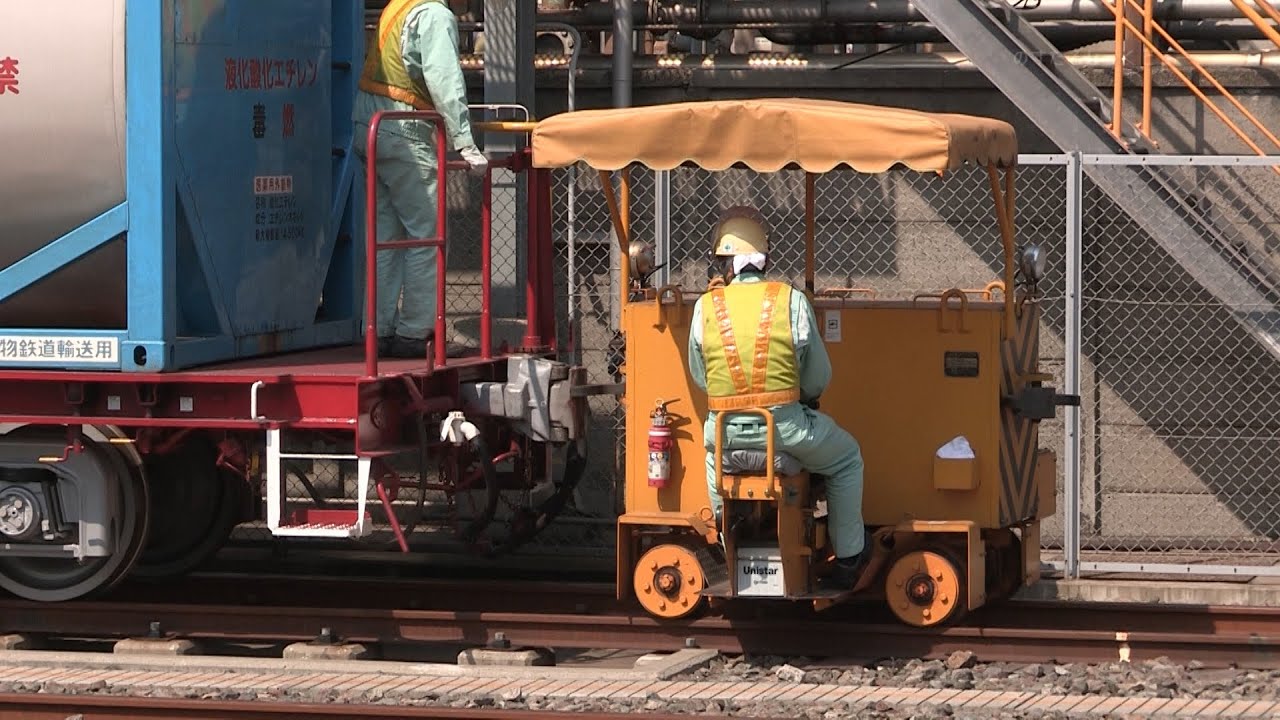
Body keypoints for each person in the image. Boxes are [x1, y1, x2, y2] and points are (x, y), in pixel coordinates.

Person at [686, 206, 870, 589]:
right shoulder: (790, 300)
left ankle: (724, 541)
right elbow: (819, 376)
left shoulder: (705, 306)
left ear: (726, 264)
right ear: (763, 260)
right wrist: (800, 395)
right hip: (785, 430)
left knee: (710, 460)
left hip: (724, 434)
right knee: (847, 457)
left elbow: (701, 376)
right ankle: (850, 558)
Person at [354, 0, 488, 359]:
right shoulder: (434, 15)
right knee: (426, 234)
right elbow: (444, 79)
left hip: (370, 128)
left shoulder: (399, 5)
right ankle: (416, 332)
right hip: (402, 131)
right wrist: (465, 142)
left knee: (386, 236)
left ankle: (377, 330)